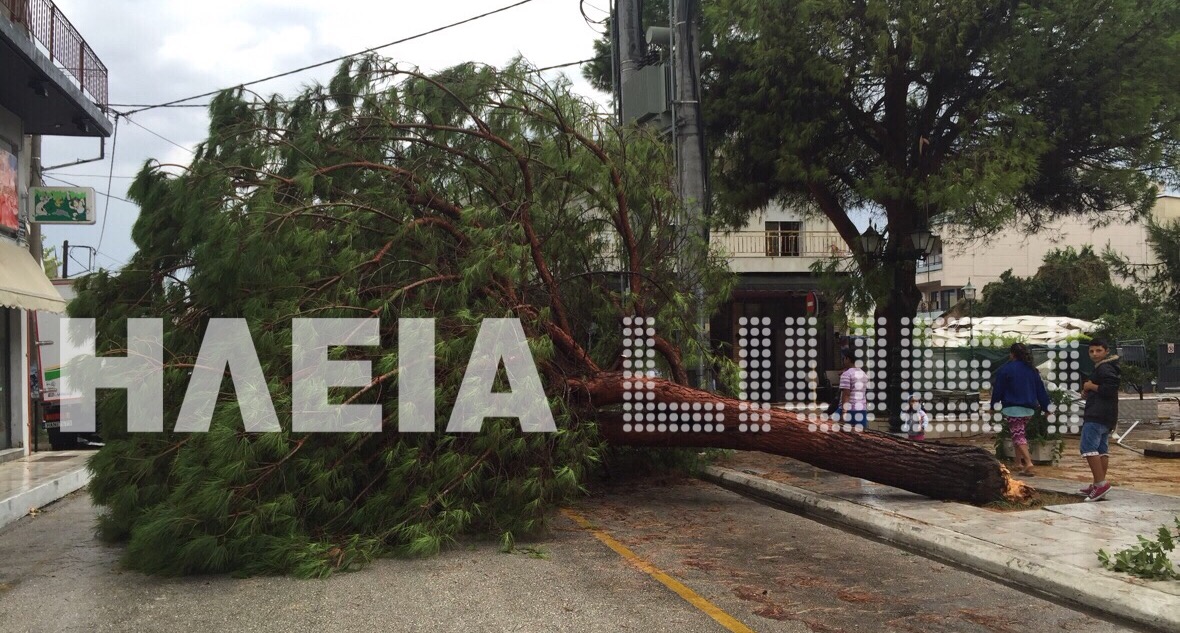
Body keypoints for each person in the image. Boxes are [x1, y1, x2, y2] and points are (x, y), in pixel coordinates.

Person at [990, 343, 1051, 477]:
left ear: (1012, 354)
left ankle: (1028, 462)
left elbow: (998, 390)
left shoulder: (1006, 370)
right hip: (1029, 408)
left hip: (1012, 408)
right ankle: (1018, 463)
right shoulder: (1032, 370)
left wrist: (993, 406)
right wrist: (1046, 408)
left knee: (1018, 435)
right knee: (1018, 433)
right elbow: (1041, 390)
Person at [1079, 339, 1120, 501]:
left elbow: (1110, 388)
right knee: (1101, 450)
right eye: (1091, 351)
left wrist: (1090, 387)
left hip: (1097, 415)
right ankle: (1097, 484)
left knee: (1088, 448)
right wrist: (1089, 390)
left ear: (1106, 351)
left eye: (1098, 351)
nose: (1095, 354)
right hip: (1107, 415)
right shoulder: (1107, 367)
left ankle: (1101, 484)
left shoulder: (1104, 368)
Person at [838, 348, 868, 429]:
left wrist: (844, 412)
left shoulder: (846, 374)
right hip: (861, 409)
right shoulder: (863, 374)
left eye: (843, 358)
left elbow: (846, 394)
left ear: (848, 359)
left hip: (849, 410)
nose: (843, 361)